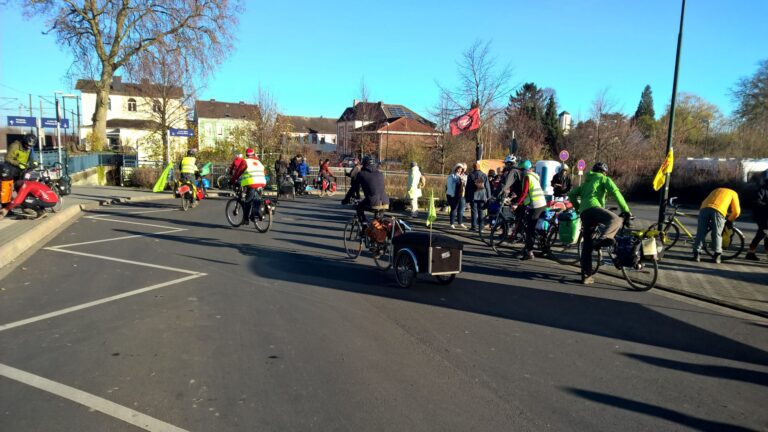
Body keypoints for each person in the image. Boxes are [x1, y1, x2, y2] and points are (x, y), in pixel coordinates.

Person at [568, 162, 631, 284]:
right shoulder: (604, 179)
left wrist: (578, 208)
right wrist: (626, 211)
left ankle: (586, 276)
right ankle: (604, 238)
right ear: (604, 172)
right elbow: (616, 192)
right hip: (594, 209)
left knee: (587, 245)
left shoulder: (586, 183)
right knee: (616, 220)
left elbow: (571, 194)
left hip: (584, 213)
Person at [692, 187, 741, 264]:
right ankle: (717, 255)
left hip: (704, 208)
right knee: (717, 233)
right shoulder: (733, 193)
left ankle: (696, 254)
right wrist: (729, 220)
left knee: (701, 231)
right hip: (718, 210)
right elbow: (737, 212)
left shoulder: (716, 189)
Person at [512, 160, 548, 260]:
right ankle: (545, 248)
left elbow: (524, 192)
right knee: (539, 227)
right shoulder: (534, 176)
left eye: (520, 170)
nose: (519, 172)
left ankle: (529, 252)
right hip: (542, 204)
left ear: (523, 170)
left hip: (536, 205)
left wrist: (517, 203)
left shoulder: (527, 177)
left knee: (530, 229)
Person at [341, 156, 389, 224]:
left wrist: (346, 200)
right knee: (377, 224)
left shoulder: (361, 174)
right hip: (385, 201)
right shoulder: (380, 174)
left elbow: (353, 188)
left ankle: (364, 226)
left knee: (359, 207)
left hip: (372, 201)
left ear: (364, 164)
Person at [232, 148, 267, 224]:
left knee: (248, 201)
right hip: (262, 182)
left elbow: (238, 172)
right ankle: (254, 215)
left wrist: (232, 181)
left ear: (246, 155)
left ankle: (246, 219)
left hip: (252, 183)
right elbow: (264, 172)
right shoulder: (258, 162)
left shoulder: (245, 161)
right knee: (257, 199)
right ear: (254, 154)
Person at [746, 170, 768, 261]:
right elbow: (756, 201)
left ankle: (751, 253)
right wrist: (766, 206)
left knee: (764, 233)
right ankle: (750, 253)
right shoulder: (762, 189)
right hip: (761, 215)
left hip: (766, 216)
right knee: (763, 233)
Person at [465, 161, 491, 233]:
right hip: (482, 196)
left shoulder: (470, 175)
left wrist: (466, 197)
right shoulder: (484, 175)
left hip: (473, 196)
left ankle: (473, 227)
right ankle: (481, 228)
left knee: (474, 212)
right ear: (480, 167)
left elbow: (468, 187)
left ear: (473, 167)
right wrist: (488, 196)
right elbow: (487, 186)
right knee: (481, 211)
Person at [446, 163, 468, 229]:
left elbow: (466, 185)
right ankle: (452, 223)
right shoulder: (451, 176)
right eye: (458, 168)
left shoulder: (464, 176)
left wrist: (463, 180)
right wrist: (452, 194)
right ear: (456, 169)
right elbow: (449, 186)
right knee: (454, 209)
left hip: (462, 195)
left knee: (461, 210)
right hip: (453, 195)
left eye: (461, 169)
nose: (460, 170)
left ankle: (460, 222)